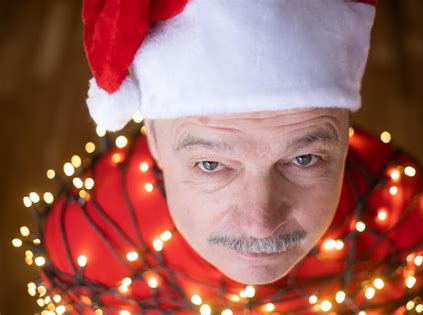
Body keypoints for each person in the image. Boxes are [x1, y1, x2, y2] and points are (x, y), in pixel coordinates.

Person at [83, 0, 377, 285]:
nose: (260, 225)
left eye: (305, 158)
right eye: (211, 164)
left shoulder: (407, 234)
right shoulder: (86, 262)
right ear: (155, 142)